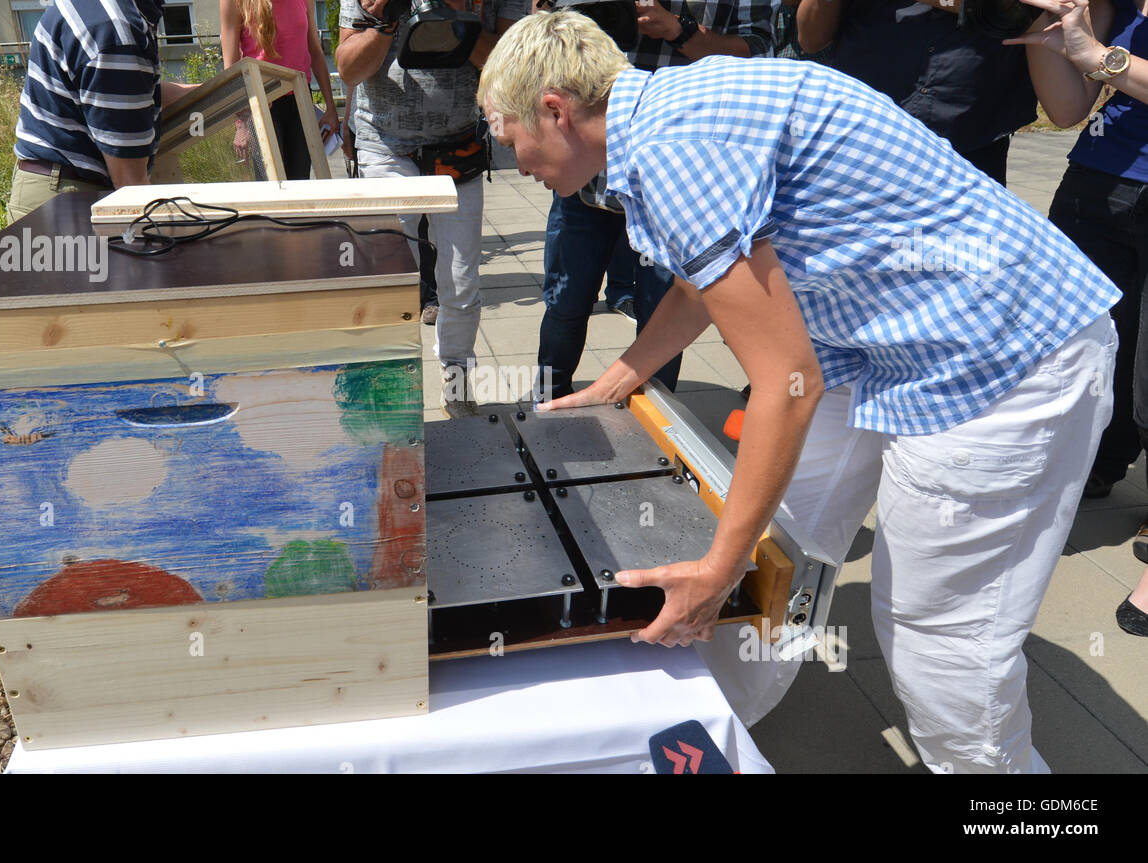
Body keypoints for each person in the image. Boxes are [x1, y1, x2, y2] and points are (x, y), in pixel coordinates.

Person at [479, 11, 1119, 771]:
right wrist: (620, 379)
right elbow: (699, 282)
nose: (513, 161)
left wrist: (717, 568)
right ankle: (714, 729)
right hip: (876, 342)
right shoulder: (666, 111)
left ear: (555, 109)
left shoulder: (670, 150)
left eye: (506, 134)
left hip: (1000, 352)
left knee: (940, 645)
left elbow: (788, 384)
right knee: (776, 547)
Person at [535, 0, 774, 401]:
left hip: (676, 178)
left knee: (663, 312)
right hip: (588, 176)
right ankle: (544, 405)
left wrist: (678, 30)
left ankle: (655, 434)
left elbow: (758, 54)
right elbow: (552, 31)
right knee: (565, 303)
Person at [1006, 0, 1148, 637]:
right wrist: (1049, 30)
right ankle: (1093, 465)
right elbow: (1066, 111)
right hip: (1098, 180)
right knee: (1072, 343)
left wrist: (1102, 57)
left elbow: (1103, 66)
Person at [336, 0, 526, 417]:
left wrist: (457, 16)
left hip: (459, 147)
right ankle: (386, 390)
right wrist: (384, 18)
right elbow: (349, 69)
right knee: (388, 278)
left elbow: (510, 69)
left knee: (460, 281)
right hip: (384, 142)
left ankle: (456, 383)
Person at [793, 0, 1036, 185]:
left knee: (964, 248)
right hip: (859, 139)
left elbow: (1015, 11)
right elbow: (810, 39)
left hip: (966, 140)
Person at [7, 0, 196, 222]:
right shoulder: (115, 31)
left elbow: (132, 92)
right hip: (67, 204)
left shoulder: (101, 9)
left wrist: (218, 90)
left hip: (55, 189)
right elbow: (130, 183)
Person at [221, 0, 340, 180]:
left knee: (299, 186)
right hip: (262, 104)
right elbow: (231, 68)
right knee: (270, 187)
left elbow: (315, 51)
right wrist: (242, 122)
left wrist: (331, 108)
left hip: (300, 100)